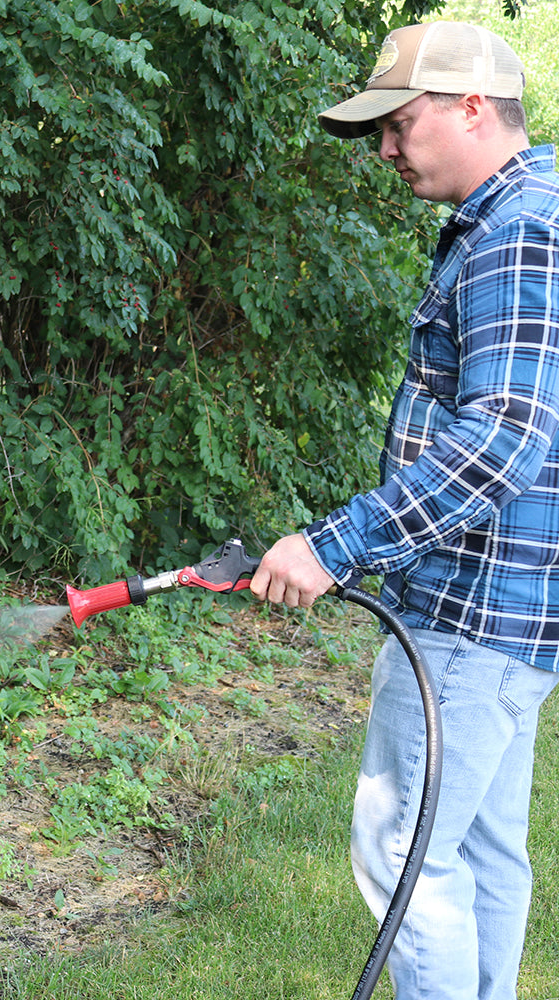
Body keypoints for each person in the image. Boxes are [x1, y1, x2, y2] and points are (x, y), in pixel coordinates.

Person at [249, 21, 559, 1000]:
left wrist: (333, 545)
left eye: (399, 122)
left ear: (472, 107)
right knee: (480, 848)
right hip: (507, 616)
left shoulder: (517, 231)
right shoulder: (525, 214)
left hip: (470, 613)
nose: (385, 148)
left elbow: (504, 437)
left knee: (405, 855)